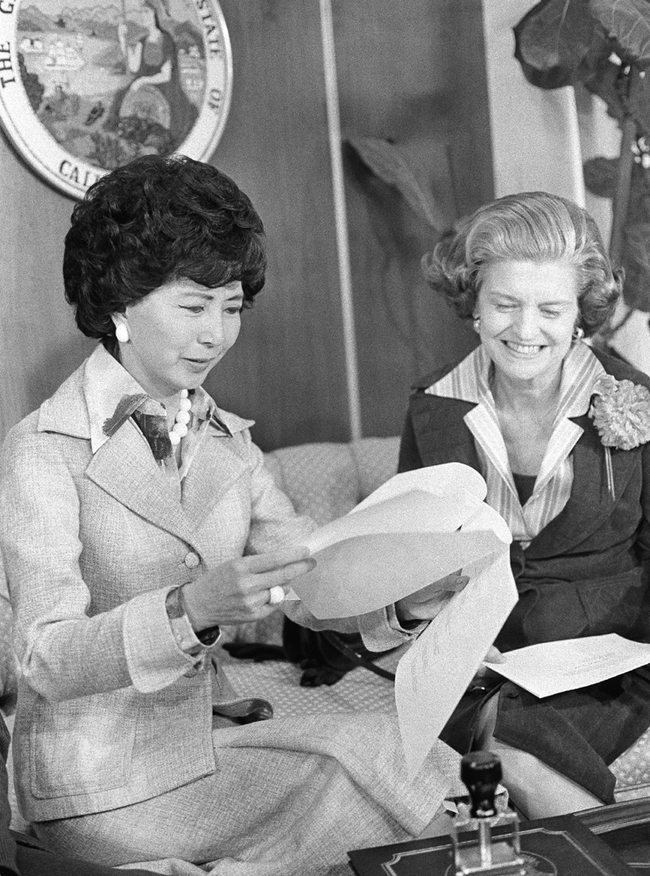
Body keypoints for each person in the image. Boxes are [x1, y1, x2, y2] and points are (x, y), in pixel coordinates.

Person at [0, 155, 462, 876]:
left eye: (233, 306)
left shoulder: (230, 442)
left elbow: (308, 583)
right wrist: (189, 609)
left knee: (411, 756)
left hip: (206, 742)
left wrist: (402, 599)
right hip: (96, 783)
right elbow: (41, 658)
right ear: (119, 304)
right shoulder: (40, 450)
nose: (217, 333)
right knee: (391, 788)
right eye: (193, 306)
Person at [399, 191, 650, 820]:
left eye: (550, 309)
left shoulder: (637, 399)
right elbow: (409, 561)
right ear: (474, 307)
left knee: (513, 751)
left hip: (609, 663)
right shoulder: (432, 408)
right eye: (505, 304)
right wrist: (438, 625)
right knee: (480, 725)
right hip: (481, 663)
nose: (526, 329)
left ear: (579, 316)